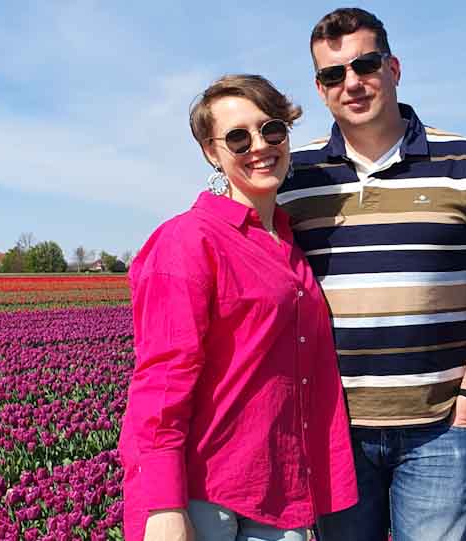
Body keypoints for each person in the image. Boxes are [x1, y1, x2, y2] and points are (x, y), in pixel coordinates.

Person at [278, 8, 466, 541]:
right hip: (331, 429)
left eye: (365, 64)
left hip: (438, 426)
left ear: (393, 67)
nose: (352, 83)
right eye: (332, 74)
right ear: (319, 89)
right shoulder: (294, 177)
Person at [119, 74, 357, 541]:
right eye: (237, 137)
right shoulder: (189, 241)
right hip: (208, 496)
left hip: (280, 490)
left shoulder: (288, 243)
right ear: (212, 151)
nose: (259, 146)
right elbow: (161, 380)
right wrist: (163, 505)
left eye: (272, 130)